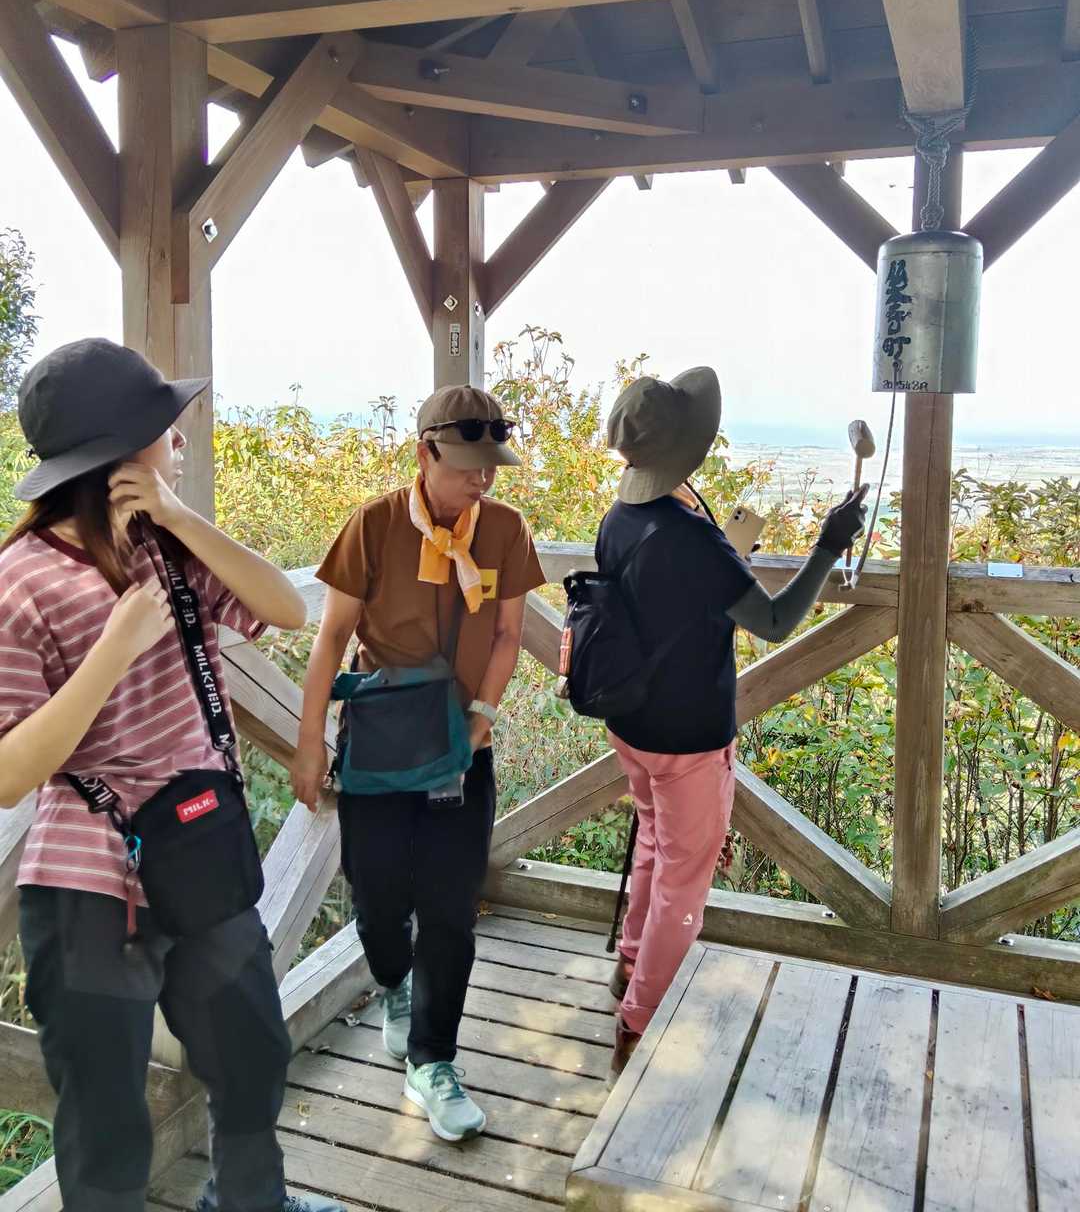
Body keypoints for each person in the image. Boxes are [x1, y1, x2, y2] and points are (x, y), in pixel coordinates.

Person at [0, 338, 344, 1212]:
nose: (180, 439)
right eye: (165, 426)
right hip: (88, 887)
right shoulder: (21, 583)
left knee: (252, 1052)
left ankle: (251, 1203)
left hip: (198, 853)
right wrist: (113, 651)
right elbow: (7, 774)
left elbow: (285, 608)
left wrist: (183, 518)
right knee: (106, 1117)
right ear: (117, 451)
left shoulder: (168, 545)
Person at [293, 385, 544, 1142]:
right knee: (374, 896)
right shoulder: (372, 526)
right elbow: (331, 638)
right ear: (425, 453)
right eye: (467, 465)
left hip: (463, 748)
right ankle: (395, 982)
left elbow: (508, 635)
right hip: (380, 743)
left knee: (449, 908)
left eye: (491, 465)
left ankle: (434, 1061)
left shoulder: (504, 529)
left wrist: (482, 718)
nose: (482, 480)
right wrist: (310, 740)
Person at [600, 368, 866, 1079]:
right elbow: (774, 622)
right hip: (688, 736)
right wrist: (828, 546)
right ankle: (639, 1027)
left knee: (656, 846)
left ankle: (630, 967)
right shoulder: (690, 537)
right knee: (683, 884)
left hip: (631, 725)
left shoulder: (620, 518)